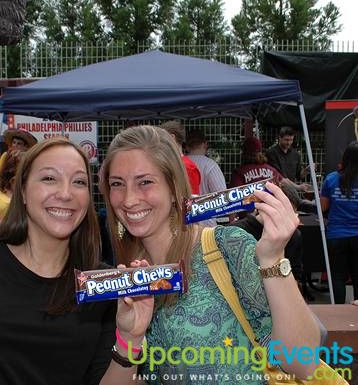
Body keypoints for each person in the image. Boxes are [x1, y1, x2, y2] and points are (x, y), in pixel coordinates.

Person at [0, 137, 154, 385]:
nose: (65, 193)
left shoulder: (102, 285)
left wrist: (130, 339)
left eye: (78, 182)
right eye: (49, 178)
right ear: (22, 191)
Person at [99, 125, 322, 382]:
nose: (128, 199)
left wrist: (273, 259)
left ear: (174, 188)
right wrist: (129, 340)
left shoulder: (227, 247)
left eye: (145, 182)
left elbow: (302, 362)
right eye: (117, 184)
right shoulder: (128, 273)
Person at [232, 181, 306, 299]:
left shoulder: (293, 234)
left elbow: (296, 275)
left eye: (291, 213)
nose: (288, 220)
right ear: (266, 205)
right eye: (282, 211)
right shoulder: (236, 231)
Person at [320, 141, 358, 304]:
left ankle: (338, 313)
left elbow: (323, 207)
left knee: (337, 277)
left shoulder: (331, 179)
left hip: (336, 235)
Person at [159, 120, 201, 195]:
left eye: (161, 138)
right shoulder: (177, 163)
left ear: (172, 137)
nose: (158, 142)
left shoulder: (187, 167)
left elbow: (192, 198)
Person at [265, 126, 310, 191]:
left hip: (290, 191)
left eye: (291, 140)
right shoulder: (271, 153)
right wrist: (298, 187)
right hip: (276, 190)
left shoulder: (296, 154)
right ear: (280, 138)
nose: (289, 143)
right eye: (286, 140)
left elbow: (299, 176)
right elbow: (280, 177)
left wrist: (307, 170)